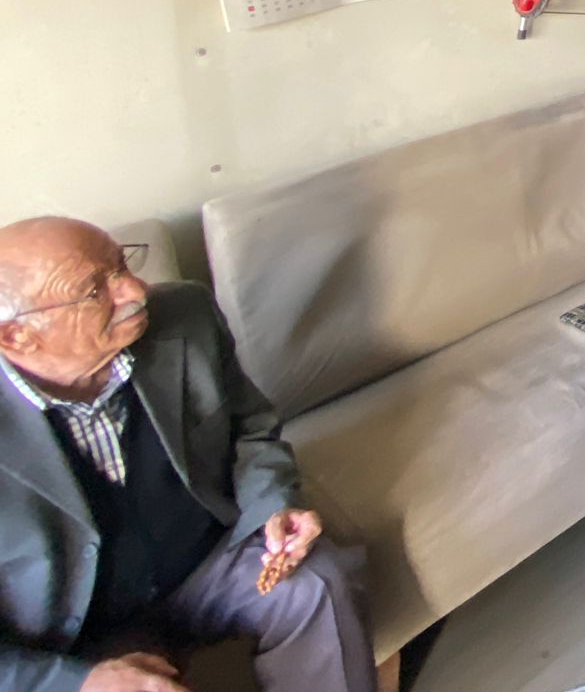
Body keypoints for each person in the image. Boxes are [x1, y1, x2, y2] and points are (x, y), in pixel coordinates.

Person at [0, 217, 374, 692]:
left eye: (122, 265)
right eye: (94, 290)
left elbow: (249, 429)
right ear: (16, 336)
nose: (135, 290)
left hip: (206, 561)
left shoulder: (186, 315)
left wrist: (273, 506)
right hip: (69, 629)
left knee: (317, 584)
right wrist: (77, 680)